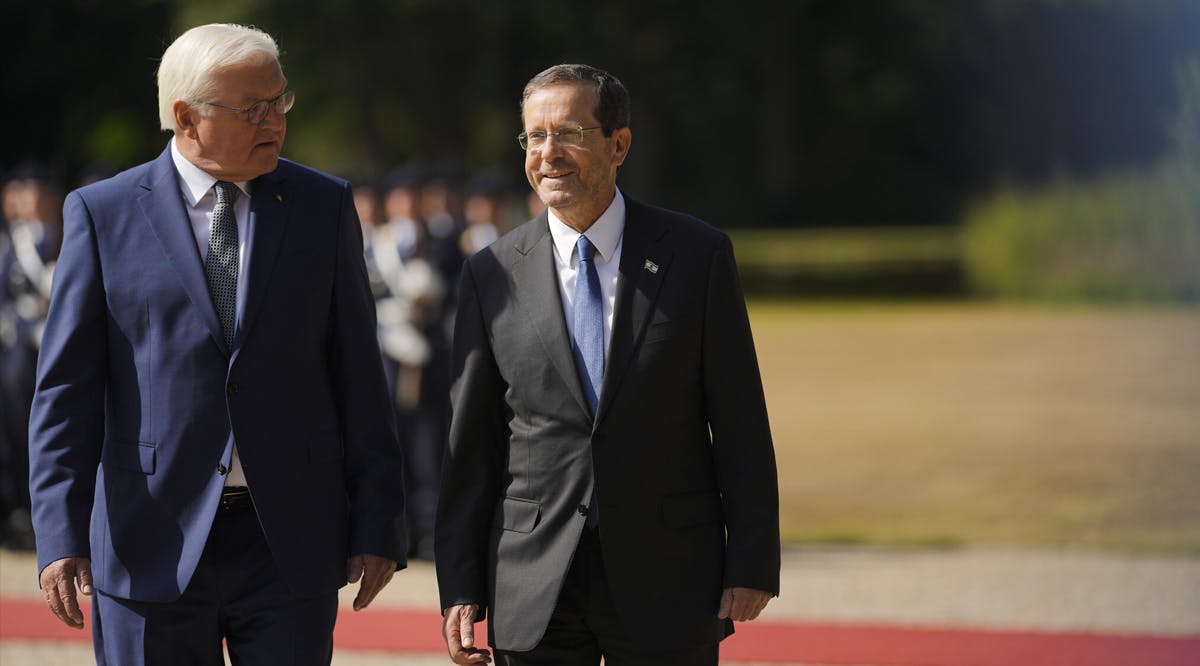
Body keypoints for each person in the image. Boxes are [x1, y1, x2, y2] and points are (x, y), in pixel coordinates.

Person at [27, 23, 406, 665]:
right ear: (186, 118)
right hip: (149, 538)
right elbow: (65, 391)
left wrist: (377, 521)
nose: (274, 121)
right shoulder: (103, 213)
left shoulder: (323, 205)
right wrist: (60, 532)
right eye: (252, 108)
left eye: (280, 101)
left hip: (288, 539)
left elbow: (359, 377)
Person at [435, 64, 780, 666]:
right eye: (534, 137)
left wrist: (751, 560)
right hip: (533, 577)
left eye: (568, 133)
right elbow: (473, 444)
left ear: (618, 144)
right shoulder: (489, 272)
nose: (549, 154)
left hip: (668, 575)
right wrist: (460, 583)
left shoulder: (697, 256)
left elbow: (740, 418)